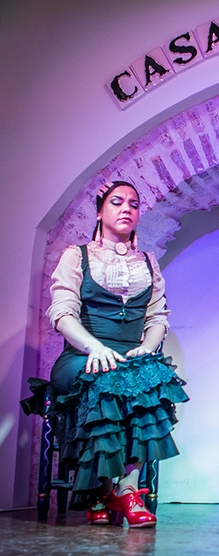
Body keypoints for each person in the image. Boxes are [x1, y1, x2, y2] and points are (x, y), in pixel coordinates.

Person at [22, 181, 189, 528]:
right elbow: (63, 314)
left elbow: (157, 317)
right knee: (109, 378)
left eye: (133, 203)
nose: (127, 208)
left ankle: (125, 491)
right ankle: (100, 491)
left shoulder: (147, 263)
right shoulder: (77, 256)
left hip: (127, 358)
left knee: (150, 376)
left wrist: (145, 348)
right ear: (100, 211)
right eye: (117, 202)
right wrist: (94, 347)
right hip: (81, 357)